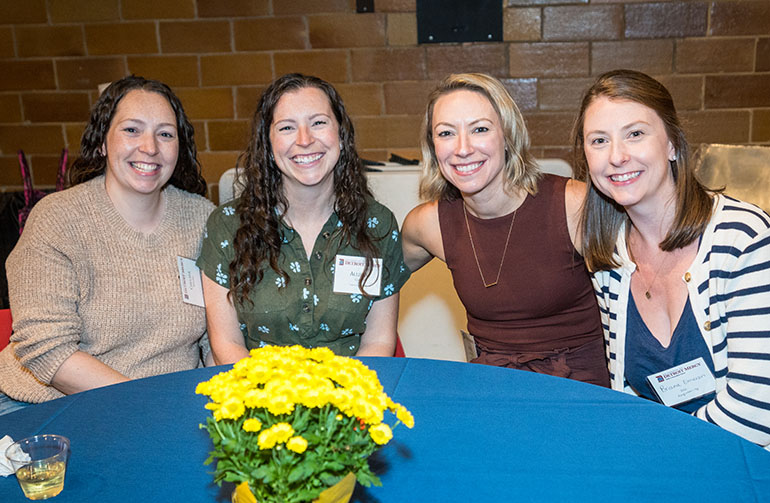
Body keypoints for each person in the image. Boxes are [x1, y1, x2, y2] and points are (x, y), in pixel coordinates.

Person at [572, 69, 770, 448]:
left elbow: (757, 409)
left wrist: (659, 449)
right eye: (599, 140)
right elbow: (626, 389)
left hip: (747, 466)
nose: (617, 156)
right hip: (664, 460)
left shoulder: (743, 238)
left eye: (635, 133)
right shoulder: (609, 259)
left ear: (672, 145)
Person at [0, 75, 214, 413]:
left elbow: (213, 338)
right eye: (132, 130)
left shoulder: (202, 218)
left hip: (167, 405)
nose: (150, 147)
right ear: (102, 142)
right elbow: (47, 349)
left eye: (165, 134)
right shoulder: (58, 219)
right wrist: (148, 406)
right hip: (46, 404)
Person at [402, 73, 610, 387]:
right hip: (493, 386)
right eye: (446, 133)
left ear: (508, 135)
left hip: (581, 388)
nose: (462, 148)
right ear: (433, 147)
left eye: (480, 129)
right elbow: (370, 286)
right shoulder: (427, 225)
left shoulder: (574, 205)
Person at [197, 73, 410, 362]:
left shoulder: (376, 224)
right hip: (255, 396)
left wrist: (339, 402)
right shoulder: (227, 225)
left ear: (342, 135)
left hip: (350, 395)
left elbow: (379, 342)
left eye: (318, 123)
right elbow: (226, 344)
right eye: (287, 127)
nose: (305, 140)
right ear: (268, 145)